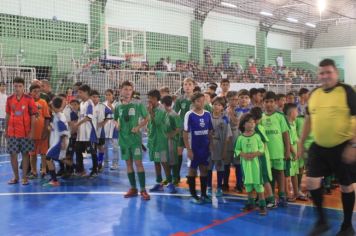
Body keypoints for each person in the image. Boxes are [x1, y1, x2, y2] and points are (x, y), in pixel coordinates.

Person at [298, 59, 356, 236]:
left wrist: (353, 144)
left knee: (346, 187)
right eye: (322, 73)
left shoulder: (347, 91)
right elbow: (309, 120)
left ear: (336, 73)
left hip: (343, 145)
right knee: (311, 182)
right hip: (319, 146)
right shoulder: (314, 93)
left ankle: (347, 226)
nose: (325, 76)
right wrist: (301, 142)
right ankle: (322, 221)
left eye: (328, 72)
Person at [114, 81, 150, 200]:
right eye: (125, 89)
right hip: (123, 140)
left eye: (130, 89)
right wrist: (117, 124)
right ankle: (133, 188)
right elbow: (115, 119)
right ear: (121, 90)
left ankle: (143, 190)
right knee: (128, 164)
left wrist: (139, 127)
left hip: (135, 140)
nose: (128, 92)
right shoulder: (118, 106)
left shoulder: (138, 104)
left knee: (138, 164)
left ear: (132, 91)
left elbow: (146, 118)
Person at [5, 77, 37, 185]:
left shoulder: (29, 99)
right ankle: (16, 177)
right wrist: (6, 130)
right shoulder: (9, 99)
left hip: (25, 133)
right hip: (12, 133)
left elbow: (33, 116)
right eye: (15, 86)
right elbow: (8, 115)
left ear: (23, 87)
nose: (17, 88)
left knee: (25, 154)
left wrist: (32, 131)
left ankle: (24, 177)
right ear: (13, 86)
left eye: (20, 86)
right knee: (12, 154)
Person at [261, 91, 290, 207]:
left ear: (276, 103)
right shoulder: (261, 118)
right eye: (267, 102)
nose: (269, 104)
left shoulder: (280, 116)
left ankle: (282, 195)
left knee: (280, 173)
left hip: (278, 152)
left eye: (271, 102)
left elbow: (286, 135)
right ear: (263, 103)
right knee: (269, 175)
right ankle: (271, 196)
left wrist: (287, 150)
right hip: (266, 153)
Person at [183, 92, 213, 204]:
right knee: (192, 170)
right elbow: (185, 133)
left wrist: (210, 145)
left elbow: (210, 131)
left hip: (204, 148)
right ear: (193, 102)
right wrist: (189, 149)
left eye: (202, 101)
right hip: (193, 148)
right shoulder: (189, 114)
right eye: (198, 101)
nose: (200, 103)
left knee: (204, 169)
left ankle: (204, 194)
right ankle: (193, 194)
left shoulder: (207, 114)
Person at [235, 113, 267, 215]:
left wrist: (254, 154)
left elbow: (262, 149)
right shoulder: (240, 138)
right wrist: (243, 154)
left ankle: (262, 205)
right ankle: (250, 203)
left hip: (256, 164)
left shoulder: (257, 136)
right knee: (248, 184)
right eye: (249, 122)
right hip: (245, 165)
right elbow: (237, 150)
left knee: (258, 184)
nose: (252, 124)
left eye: (253, 122)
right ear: (243, 124)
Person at [147, 90, 176, 194]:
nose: (150, 100)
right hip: (153, 141)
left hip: (161, 141)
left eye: (153, 98)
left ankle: (170, 182)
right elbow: (150, 123)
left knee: (164, 162)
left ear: (157, 99)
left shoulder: (161, 109)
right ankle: (159, 183)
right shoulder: (152, 108)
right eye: (149, 98)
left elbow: (157, 122)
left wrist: (150, 112)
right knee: (156, 162)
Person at [250, 107, 276, 208]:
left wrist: (259, 153)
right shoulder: (257, 127)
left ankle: (271, 200)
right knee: (258, 179)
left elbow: (264, 142)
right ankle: (260, 198)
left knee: (264, 179)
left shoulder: (257, 128)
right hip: (257, 157)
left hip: (261, 158)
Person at [207, 96, 232, 197]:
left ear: (223, 107)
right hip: (208, 145)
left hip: (220, 145)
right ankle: (208, 186)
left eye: (219, 105)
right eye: (215, 104)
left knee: (220, 167)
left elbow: (228, 136)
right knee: (208, 167)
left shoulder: (225, 119)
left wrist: (224, 150)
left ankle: (219, 187)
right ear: (212, 105)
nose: (217, 106)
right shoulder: (207, 116)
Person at [43, 97, 69, 187]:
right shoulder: (58, 114)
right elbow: (59, 128)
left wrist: (63, 142)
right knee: (53, 159)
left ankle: (54, 180)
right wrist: (52, 128)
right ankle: (53, 177)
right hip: (57, 141)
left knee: (48, 158)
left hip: (59, 142)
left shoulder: (58, 116)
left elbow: (64, 131)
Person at [73, 84, 99, 177]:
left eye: (80, 92)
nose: (78, 94)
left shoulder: (89, 103)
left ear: (86, 92)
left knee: (92, 152)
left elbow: (88, 117)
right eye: (78, 92)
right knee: (78, 151)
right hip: (81, 134)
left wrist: (77, 124)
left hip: (89, 133)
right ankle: (81, 170)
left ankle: (95, 170)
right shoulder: (81, 103)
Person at [174, 77, 195, 184]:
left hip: (194, 131)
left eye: (189, 84)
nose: (187, 86)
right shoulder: (179, 99)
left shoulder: (197, 99)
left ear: (193, 86)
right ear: (183, 86)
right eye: (185, 84)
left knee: (192, 153)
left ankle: (191, 176)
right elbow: (173, 113)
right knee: (179, 151)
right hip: (182, 130)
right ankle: (176, 176)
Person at [28, 84, 51, 179]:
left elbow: (47, 117)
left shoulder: (43, 102)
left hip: (42, 132)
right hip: (31, 133)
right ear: (30, 93)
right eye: (34, 91)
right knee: (32, 154)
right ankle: (33, 171)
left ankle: (44, 170)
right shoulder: (27, 102)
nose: (37, 93)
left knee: (43, 153)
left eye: (38, 91)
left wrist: (46, 130)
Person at [161, 95, 181, 187]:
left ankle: (175, 178)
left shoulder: (173, 115)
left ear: (164, 104)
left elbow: (178, 128)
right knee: (166, 160)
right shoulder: (164, 114)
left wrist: (170, 135)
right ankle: (169, 178)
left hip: (172, 141)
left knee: (173, 160)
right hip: (164, 140)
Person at [91, 90, 112, 172]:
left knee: (100, 147)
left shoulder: (102, 106)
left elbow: (110, 114)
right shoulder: (88, 106)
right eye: (93, 97)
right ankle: (95, 164)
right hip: (90, 132)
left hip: (100, 132)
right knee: (93, 149)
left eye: (97, 97)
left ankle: (100, 162)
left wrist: (103, 122)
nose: (95, 98)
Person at [283, 103, 299, 202]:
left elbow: (296, 139)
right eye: (296, 112)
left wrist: (300, 149)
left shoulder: (294, 123)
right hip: (290, 152)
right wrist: (294, 152)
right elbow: (288, 141)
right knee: (287, 175)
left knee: (294, 174)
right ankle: (287, 194)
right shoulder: (286, 125)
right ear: (292, 113)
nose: (297, 114)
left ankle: (296, 192)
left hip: (295, 152)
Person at [103, 89, 120, 170]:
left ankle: (115, 163)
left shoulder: (117, 104)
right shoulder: (103, 104)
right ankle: (105, 163)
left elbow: (118, 114)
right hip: (105, 127)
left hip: (114, 127)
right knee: (104, 146)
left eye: (109, 94)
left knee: (115, 147)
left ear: (113, 95)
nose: (108, 96)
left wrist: (111, 107)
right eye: (106, 95)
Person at [0, 82, 7, 153]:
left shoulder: (6, 96)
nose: (3, 87)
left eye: (4, 86)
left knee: (4, 132)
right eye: (2, 86)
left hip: (4, 117)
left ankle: (6, 146)